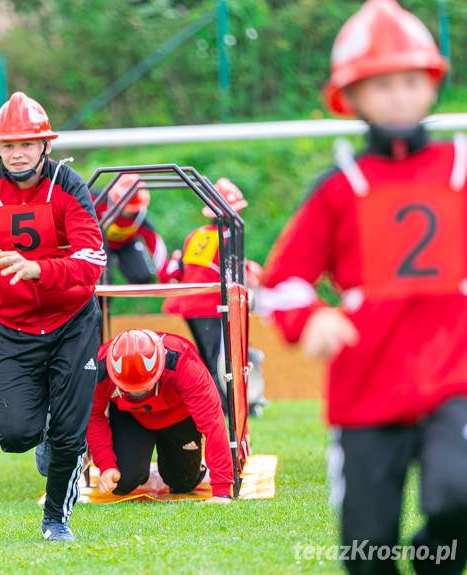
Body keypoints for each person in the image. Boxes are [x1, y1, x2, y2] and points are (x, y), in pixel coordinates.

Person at [258, 1, 467, 573]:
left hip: (453, 378)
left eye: (409, 81)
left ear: (431, 86)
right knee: (367, 550)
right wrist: (313, 318)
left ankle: (434, 558)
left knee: (460, 494)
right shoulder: (339, 188)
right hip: (367, 392)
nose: (397, 96)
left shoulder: (460, 172)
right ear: (349, 99)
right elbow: (283, 284)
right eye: (379, 85)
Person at [0, 91, 105, 542]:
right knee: (16, 434)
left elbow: (93, 261)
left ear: (45, 146)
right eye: (9, 145)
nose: (17, 154)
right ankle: (47, 434)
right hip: (14, 328)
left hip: (73, 322)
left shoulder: (69, 186)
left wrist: (41, 269)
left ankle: (56, 520)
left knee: (72, 434)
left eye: (27, 145)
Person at [86, 329, 233, 502]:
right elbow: (93, 415)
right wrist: (106, 464)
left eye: (142, 389)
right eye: (129, 389)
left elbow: (213, 422)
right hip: (131, 417)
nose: (137, 395)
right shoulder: (100, 367)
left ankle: (190, 465)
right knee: (121, 483)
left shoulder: (184, 363)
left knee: (182, 482)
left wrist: (221, 490)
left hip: (178, 416)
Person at [159, 178, 261, 412]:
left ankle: (219, 406)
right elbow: (232, 274)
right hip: (212, 305)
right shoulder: (229, 236)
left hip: (191, 304)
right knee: (220, 362)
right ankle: (223, 409)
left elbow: (178, 272)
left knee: (210, 359)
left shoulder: (195, 235)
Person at [95, 174, 168, 284]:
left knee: (143, 276)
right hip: (100, 244)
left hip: (126, 245)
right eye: (125, 208)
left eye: (133, 209)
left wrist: (165, 275)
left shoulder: (140, 219)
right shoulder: (96, 200)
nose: (129, 213)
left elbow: (156, 245)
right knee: (102, 278)